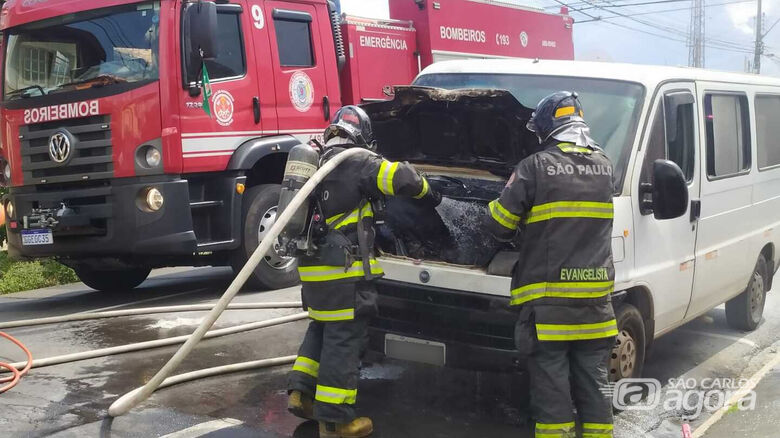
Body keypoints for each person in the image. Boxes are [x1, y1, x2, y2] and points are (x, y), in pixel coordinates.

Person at [287, 105, 441, 438]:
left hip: (313, 270)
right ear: (363, 136)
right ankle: (337, 419)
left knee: (321, 329)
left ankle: (301, 394)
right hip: (343, 272)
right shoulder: (359, 162)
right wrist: (429, 192)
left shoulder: (318, 159)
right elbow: (402, 179)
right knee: (344, 341)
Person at [485, 91, 617, 438]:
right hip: (596, 307)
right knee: (595, 392)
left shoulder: (534, 167)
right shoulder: (605, 166)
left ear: (547, 128)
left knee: (553, 401)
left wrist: (491, 208)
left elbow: (499, 225)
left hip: (548, 311)